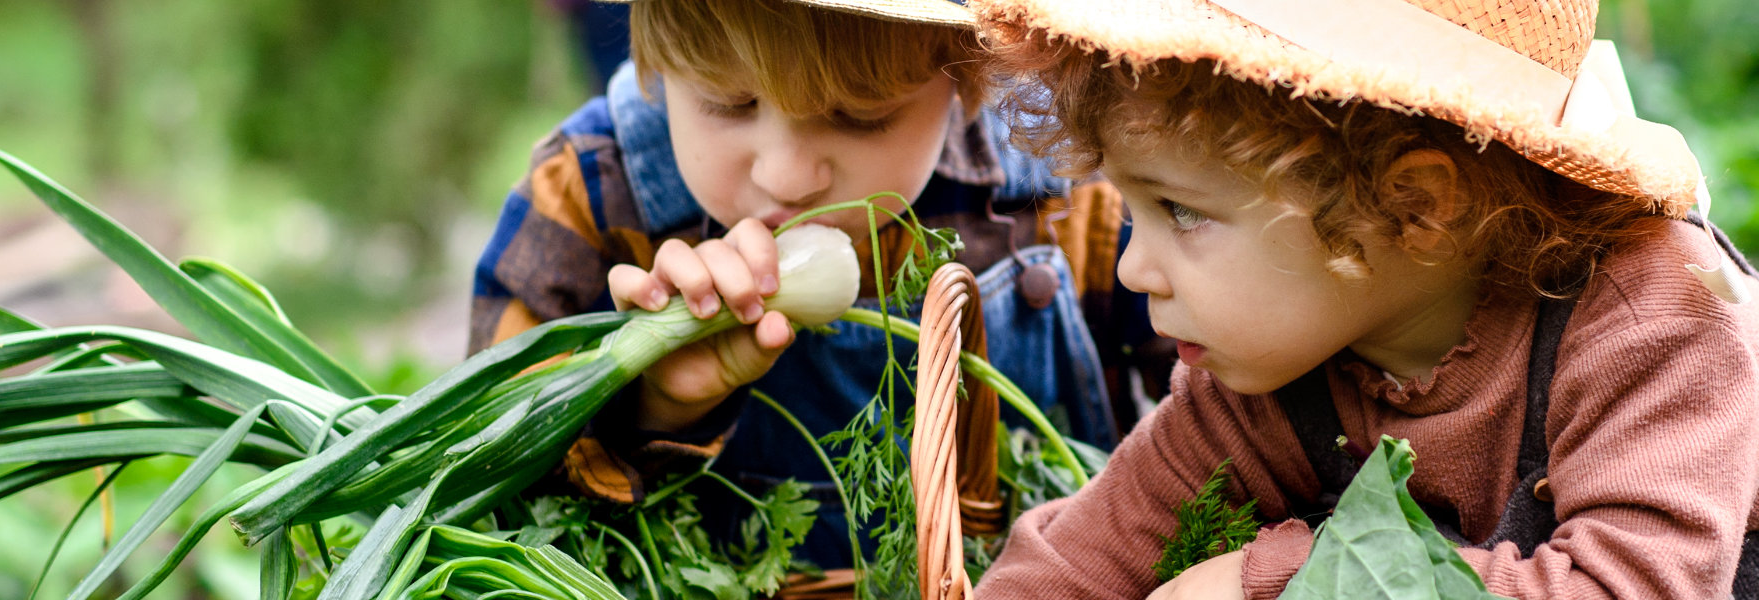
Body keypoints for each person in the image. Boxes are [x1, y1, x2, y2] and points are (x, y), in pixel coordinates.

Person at [967, 0, 1759, 598]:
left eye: (1180, 211)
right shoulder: (1269, 377)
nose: (1136, 268)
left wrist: (1278, 577)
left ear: (1411, 208)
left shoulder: (1649, 320)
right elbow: (1076, 562)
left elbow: (1631, 588)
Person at [468, 0, 1164, 572]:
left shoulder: (1070, 186)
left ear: (969, 75)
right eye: (728, 101)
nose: (787, 178)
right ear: (655, 63)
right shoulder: (588, 202)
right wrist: (655, 407)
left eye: (859, 116)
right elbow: (485, 491)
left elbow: (1235, 415)